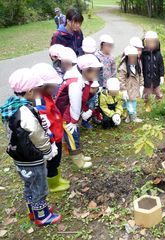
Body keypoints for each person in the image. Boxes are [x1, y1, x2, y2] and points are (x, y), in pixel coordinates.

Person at [0, 68, 61, 226]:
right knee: (39, 185)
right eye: (36, 90)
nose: (38, 93)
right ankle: (42, 216)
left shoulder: (11, 106)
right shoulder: (25, 111)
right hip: (32, 157)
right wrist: (48, 150)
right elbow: (37, 134)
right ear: (30, 91)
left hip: (19, 156)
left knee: (29, 183)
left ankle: (32, 210)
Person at [55, 54, 103, 169]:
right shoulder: (75, 82)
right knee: (72, 136)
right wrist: (74, 120)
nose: (96, 75)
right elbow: (75, 102)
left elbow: (82, 101)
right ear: (86, 70)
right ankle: (77, 160)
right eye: (95, 72)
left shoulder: (82, 78)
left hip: (70, 113)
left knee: (75, 135)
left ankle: (79, 155)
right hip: (65, 115)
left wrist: (82, 112)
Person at [32, 63, 70, 193]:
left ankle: (57, 179)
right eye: (53, 86)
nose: (55, 88)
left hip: (57, 135)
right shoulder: (39, 100)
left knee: (57, 159)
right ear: (43, 86)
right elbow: (42, 119)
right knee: (53, 162)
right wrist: (50, 138)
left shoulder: (46, 96)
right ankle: (53, 184)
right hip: (51, 138)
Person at [118, 46, 144, 123]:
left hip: (135, 87)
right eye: (131, 57)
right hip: (128, 88)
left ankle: (128, 116)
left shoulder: (138, 64)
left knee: (133, 102)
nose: (133, 59)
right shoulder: (123, 66)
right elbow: (121, 79)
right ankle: (132, 116)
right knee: (129, 103)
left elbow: (141, 74)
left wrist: (141, 85)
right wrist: (123, 90)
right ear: (127, 57)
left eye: (134, 57)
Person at [141, 31, 165, 112]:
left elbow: (161, 65)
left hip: (156, 79)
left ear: (156, 43)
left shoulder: (158, 54)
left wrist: (162, 76)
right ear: (146, 42)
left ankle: (158, 104)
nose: (151, 44)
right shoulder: (143, 54)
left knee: (158, 92)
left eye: (153, 42)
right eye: (149, 42)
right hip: (146, 79)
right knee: (146, 94)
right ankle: (146, 105)